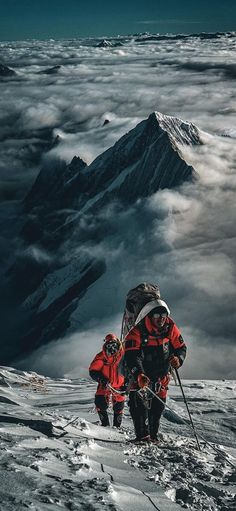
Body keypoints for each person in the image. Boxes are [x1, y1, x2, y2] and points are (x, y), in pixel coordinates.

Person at [124, 299, 186, 442]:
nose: (161, 319)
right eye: (157, 316)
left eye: (163, 315)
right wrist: (139, 374)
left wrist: (179, 358)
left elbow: (181, 347)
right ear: (149, 316)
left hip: (161, 377)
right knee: (138, 406)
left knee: (157, 409)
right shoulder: (137, 331)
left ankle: (153, 436)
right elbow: (132, 356)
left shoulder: (171, 327)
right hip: (141, 376)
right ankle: (142, 436)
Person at [89, 333, 125, 428]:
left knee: (119, 407)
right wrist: (101, 379)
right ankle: (105, 425)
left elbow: (129, 369)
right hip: (105, 384)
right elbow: (93, 371)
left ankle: (117, 427)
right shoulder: (101, 357)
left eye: (114, 344)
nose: (112, 347)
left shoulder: (124, 355)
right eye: (109, 345)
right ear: (106, 345)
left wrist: (128, 383)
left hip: (119, 385)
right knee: (100, 403)